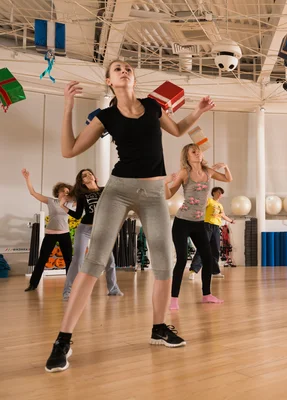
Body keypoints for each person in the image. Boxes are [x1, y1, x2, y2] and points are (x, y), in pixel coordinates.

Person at [44, 60, 215, 373]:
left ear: (133, 78)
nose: (124, 70)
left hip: (153, 194)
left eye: (128, 68)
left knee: (165, 261)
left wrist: (199, 112)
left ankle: (159, 327)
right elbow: (69, 150)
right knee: (94, 261)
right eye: (117, 69)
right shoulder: (105, 116)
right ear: (110, 81)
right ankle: (63, 339)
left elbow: (177, 130)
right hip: (119, 189)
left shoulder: (152, 106)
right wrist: (68, 106)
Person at [167, 147, 232, 309]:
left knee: (208, 258)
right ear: (187, 156)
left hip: (199, 223)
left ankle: (207, 294)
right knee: (182, 259)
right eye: (193, 152)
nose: (198, 153)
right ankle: (174, 299)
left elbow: (227, 179)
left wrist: (226, 167)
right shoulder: (184, 172)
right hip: (182, 222)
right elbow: (168, 195)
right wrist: (165, 182)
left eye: (198, 151)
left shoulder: (208, 171)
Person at [62, 169, 122, 300]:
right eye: (84, 175)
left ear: (94, 177)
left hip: (102, 230)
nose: (88, 176)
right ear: (82, 181)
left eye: (90, 173)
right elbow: (78, 215)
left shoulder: (105, 190)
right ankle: (68, 291)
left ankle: (113, 289)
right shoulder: (82, 195)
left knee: (109, 260)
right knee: (78, 259)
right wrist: (64, 206)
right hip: (85, 229)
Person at [22, 169, 73, 292]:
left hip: (64, 234)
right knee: (42, 259)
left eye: (67, 192)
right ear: (58, 192)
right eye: (63, 191)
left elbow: (83, 197)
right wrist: (27, 178)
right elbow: (33, 193)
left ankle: (71, 286)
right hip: (50, 234)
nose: (65, 193)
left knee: (69, 260)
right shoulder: (51, 201)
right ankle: (33, 284)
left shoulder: (71, 203)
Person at [193, 186, 235, 279]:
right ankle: (194, 270)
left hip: (216, 227)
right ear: (214, 192)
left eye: (221, 193)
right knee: (203, 247)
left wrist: (231, 221)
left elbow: (223, 215)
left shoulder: (220, 205)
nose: (220, 195)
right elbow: (201, 208)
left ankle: (215, 272)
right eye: (219, 192)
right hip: (207, 225)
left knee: (215, 250)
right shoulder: (209, 201)